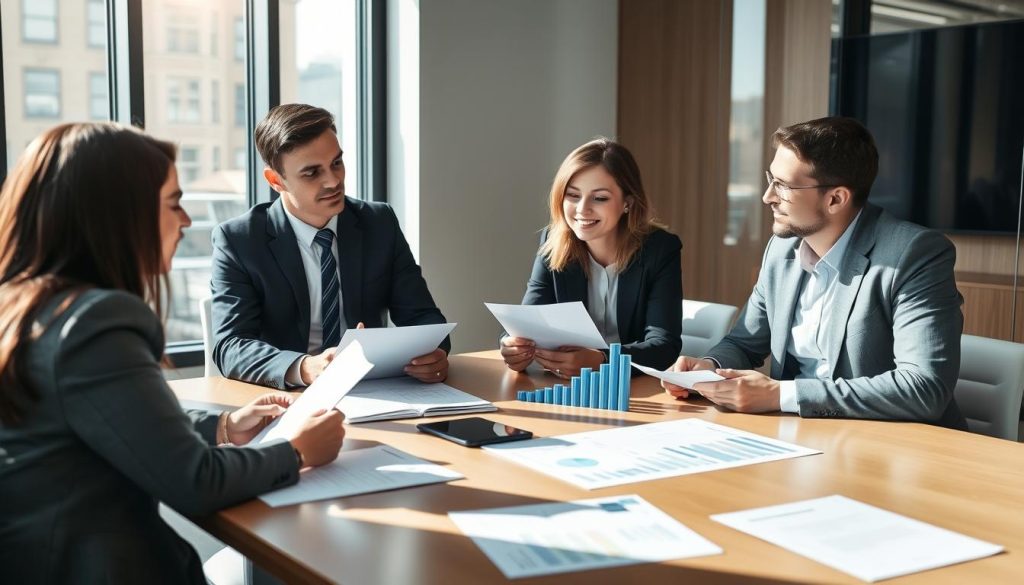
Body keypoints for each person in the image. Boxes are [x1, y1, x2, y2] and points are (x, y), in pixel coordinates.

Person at [0, 123, 346, 583]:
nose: (185, 220)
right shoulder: (93, 323)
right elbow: (196, 482)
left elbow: (96, 421)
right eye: (172, 202)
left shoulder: (25, 307)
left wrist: (221, 426)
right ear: (118, 215)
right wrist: (297, 450)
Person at [663, 117, 967, 429]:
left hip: (891, 448)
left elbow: (924, 388)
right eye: (771, 180)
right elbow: (744, 343)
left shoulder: (914, 255)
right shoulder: (781, 251)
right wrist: (708, 367)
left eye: (783, 186)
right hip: (800, 435)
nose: (768, 196)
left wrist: (781, 395)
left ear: (836, 198)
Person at [212, 104, 450, 389]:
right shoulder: (239, 240)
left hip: (373, 389)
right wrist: (305, 367)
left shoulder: (378, 222)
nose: (334, 180)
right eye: (312, 173)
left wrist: (432, 354)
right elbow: (230, 346)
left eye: (336, 163)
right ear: (276, 181)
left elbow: (421, 315)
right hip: (290, 398)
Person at [501, 138, 682, 378]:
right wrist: (513, 346)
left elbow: (664, 347)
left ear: (627, 203)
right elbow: (529, 321)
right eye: (573, 195)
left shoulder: (660, 249)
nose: (582, 209)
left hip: (630, 391)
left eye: (600, 198)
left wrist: (603, 360)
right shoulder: (553, 241)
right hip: (566, 387)